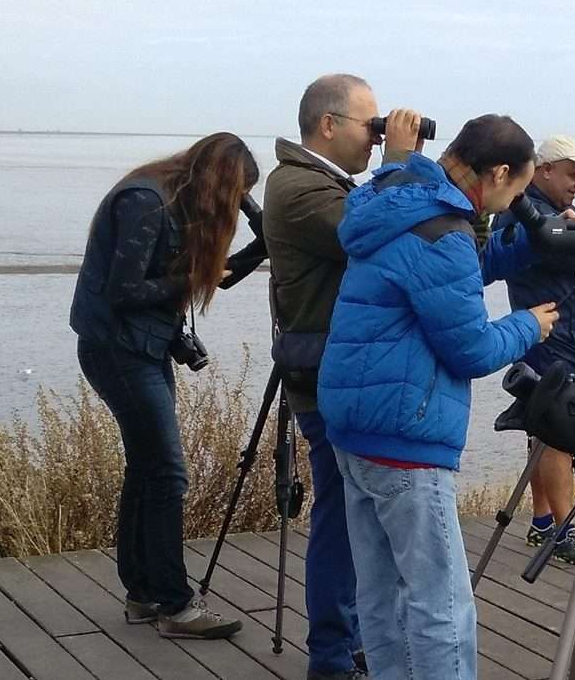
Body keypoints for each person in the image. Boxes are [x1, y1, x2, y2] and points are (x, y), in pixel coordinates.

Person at [317, 115, 575, 679]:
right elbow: (472, 350)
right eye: (518, 193)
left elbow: (465, 271)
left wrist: (542, 235)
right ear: (499, 172)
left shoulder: (399, 205)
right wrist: (527, 325)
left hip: (355, 430)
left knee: (381, 597)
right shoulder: (443, 231)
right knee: (442, 607)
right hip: (407, 439)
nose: (512, 204)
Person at [262, 73, 425, 680]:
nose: (376, 138)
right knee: (342, 518)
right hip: (330, 380)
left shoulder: (323, 183)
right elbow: (377, 233)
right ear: (328, 125)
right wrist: (403, 164)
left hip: (346, 374)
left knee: (356, 517)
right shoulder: (300, 189)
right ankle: (332, 657)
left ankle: (353, 642)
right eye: (371, 126)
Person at [68, 132, 258, 640]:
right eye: (236, 196)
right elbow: (124, 290)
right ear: (219, 182)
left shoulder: (174, 202)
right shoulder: (146, 201)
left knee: (148, 469)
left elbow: (217, 276)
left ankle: (143, 594)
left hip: (142, 348)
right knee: (169, 473)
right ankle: (176, 605)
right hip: (117, 349)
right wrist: (194, 275)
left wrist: (266, 239)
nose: (233, 210)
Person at [490, 134, 575, 566]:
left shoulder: (546, 210)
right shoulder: (525, 211)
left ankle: (544, 521)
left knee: (544, 430)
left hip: (564, 339)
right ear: (544, 169)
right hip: (551, 340)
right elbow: (550, 250)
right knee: (560, 435)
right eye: (572, 173)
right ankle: (563, 532)